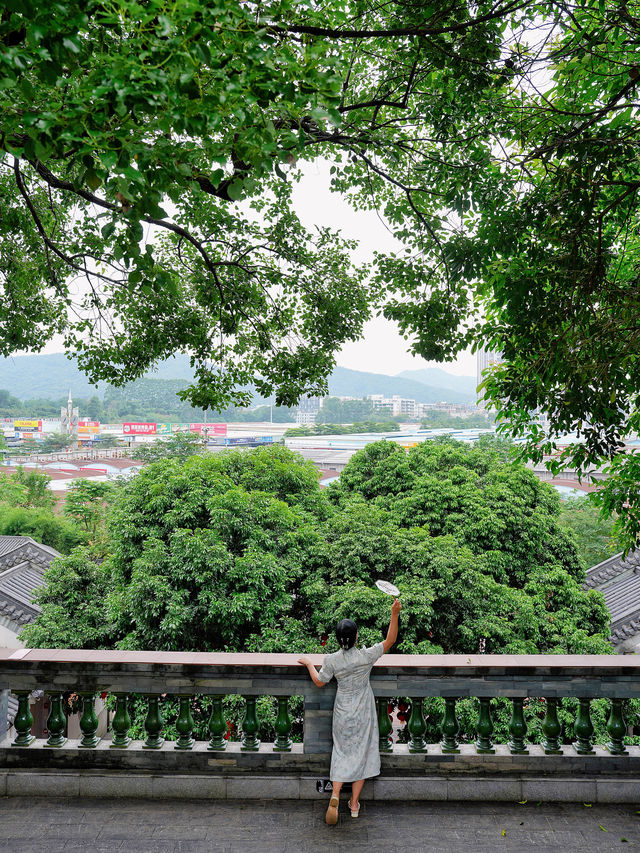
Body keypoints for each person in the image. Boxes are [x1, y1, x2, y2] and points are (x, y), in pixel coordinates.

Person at [298, 597, 401, 825]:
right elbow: (390, 640)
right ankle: (354, 805)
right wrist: (394, 613)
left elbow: (319, 681)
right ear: (356, 637)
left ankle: (335, 793)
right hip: (363, 711)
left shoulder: (332, 660)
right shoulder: (366, 656)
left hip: (343, 711)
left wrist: (308, 664)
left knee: (342, 753)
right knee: (361, 755)